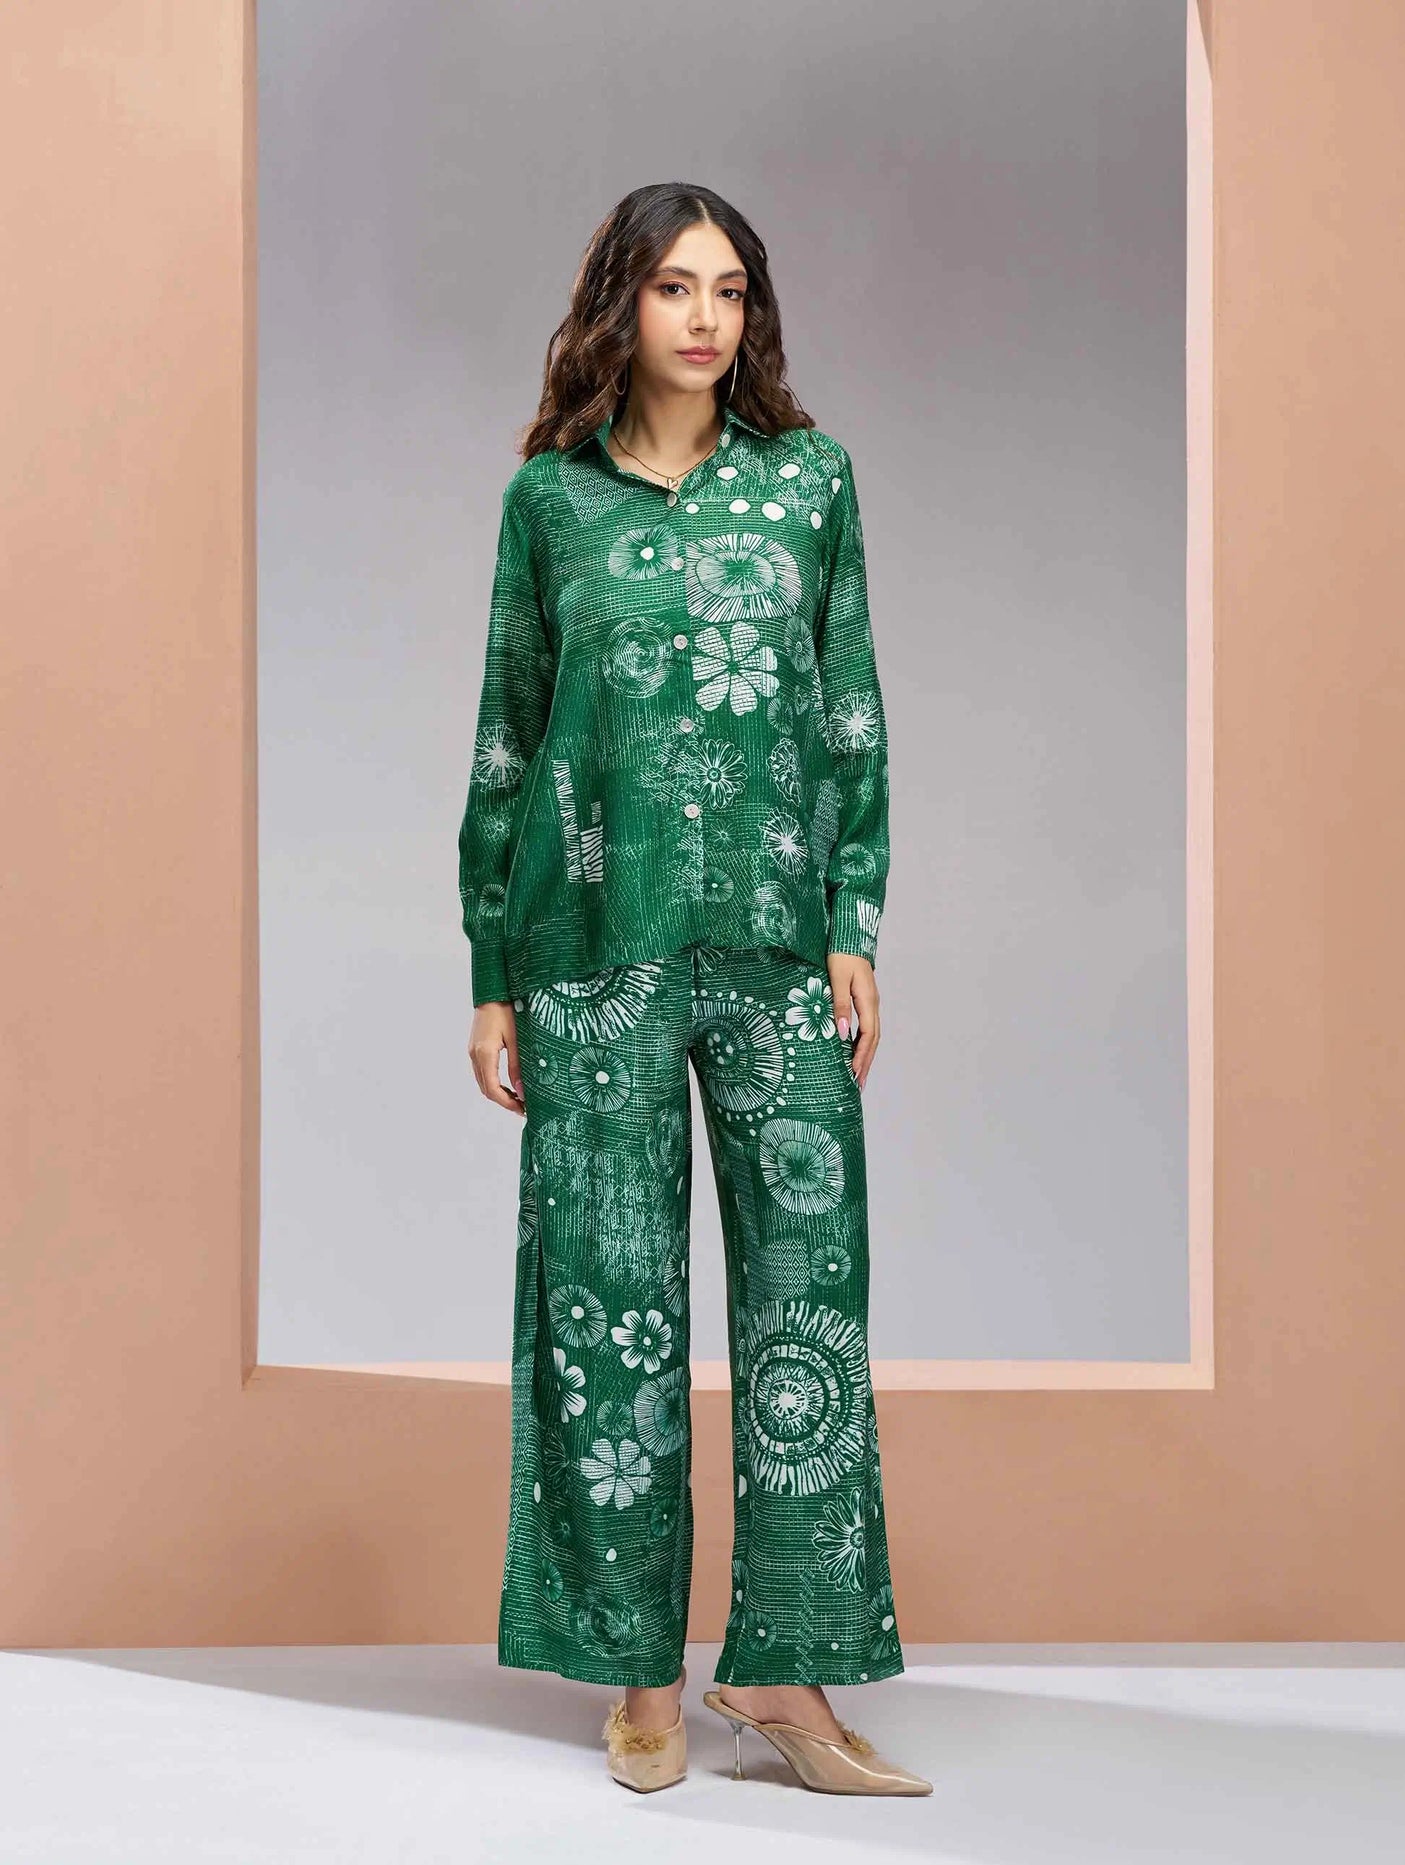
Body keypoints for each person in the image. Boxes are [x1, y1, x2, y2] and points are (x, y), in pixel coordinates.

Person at [458, 181, 930, 1797]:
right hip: (589, 946)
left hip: (778, 945)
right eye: (673, 286)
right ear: (622, 303)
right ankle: (639, 1674)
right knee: (610, 1308)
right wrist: (491, 968)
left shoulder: (809, 481)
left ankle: (784, 1670)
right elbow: (508, 737)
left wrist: (854, 918)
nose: (705, 316)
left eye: (729, 289)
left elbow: (850, 712)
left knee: (808, 1302)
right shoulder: (549, 502)